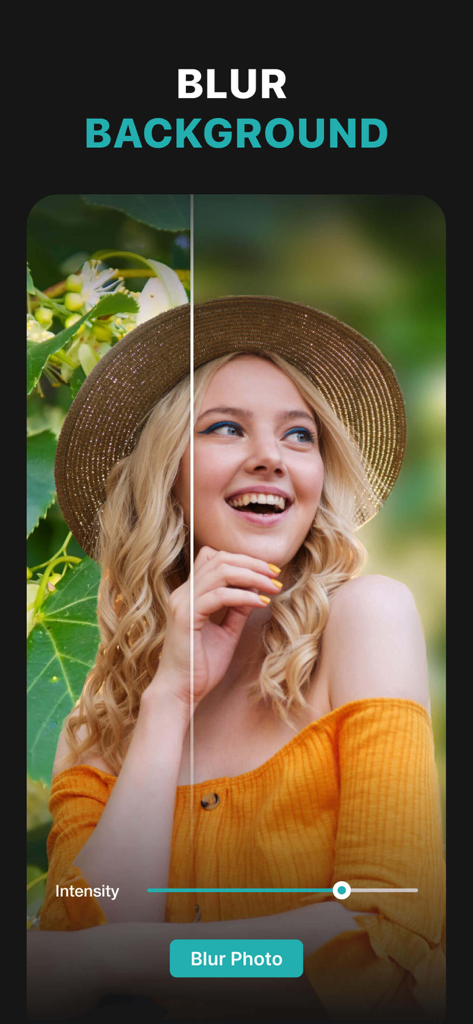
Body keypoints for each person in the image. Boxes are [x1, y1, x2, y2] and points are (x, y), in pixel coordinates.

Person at [29, 297, 446, 1023]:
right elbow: (73, 934)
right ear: (166, 472)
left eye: (299, 435)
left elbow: (385, 933)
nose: (272, 457)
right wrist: (166, 701)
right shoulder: (100, 714)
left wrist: (115, 959)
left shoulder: (365, 618)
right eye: (225, 427)